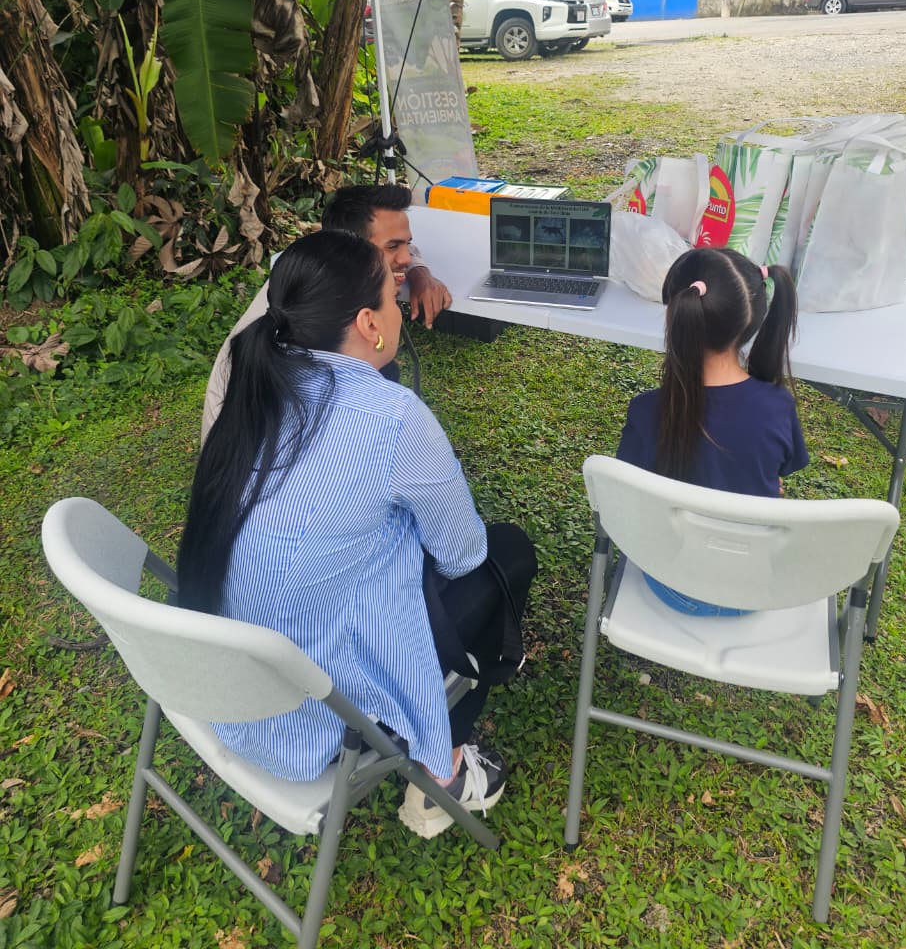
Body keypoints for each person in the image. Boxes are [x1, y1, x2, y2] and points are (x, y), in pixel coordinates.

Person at [178, 229, 536, 837]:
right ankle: (445, 768)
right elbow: (461, 553)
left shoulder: (251, 381)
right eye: (394, 297)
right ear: (369, 324)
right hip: (319, 721)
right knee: (508, 552)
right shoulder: (394, 416)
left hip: (224, 690)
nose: (400, 306)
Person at [616, 246, 808, 616]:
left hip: (671, 584)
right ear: (753, 320)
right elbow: (777, 475)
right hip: (752, 592)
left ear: (676, 315)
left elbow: (629, 494)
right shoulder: (778, 407)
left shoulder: (646, 410)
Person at [201, 183, 451, 440]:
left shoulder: (312, 268)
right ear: (346, 248)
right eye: (393, 247)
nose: (406, 257)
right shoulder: (314, 318)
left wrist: (419, 272)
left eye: (407, 244)